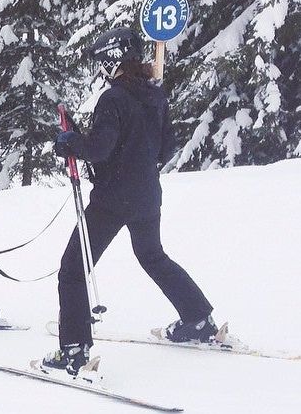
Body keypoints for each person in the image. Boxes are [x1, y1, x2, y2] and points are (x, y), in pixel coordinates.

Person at [43, 26, 217, 375]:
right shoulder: (155, 95)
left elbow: (100, 148)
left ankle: (74, 351)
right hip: (148, 196)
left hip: (113, 200)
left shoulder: (113, 99)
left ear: (113, 58)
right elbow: (167, 147)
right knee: (152, 256)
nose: (99, 70)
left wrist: (70, 142)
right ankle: (198, 318)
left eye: (101, 63)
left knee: (72, 270)